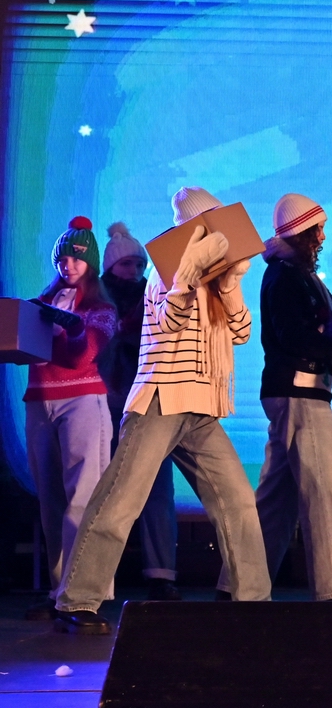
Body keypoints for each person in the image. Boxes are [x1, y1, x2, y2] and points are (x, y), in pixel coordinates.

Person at [54, 188, 268, 633]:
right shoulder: (163, 273)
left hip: (203, 406)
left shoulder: (217, 280)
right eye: (209, 224)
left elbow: (242, 332)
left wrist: (230, 286)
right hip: (161, 400)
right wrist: (185, 277)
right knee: (120, 501)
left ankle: (254, 600)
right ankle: (76, 600)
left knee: (237, 502)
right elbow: (168, 324)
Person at [235, 194, 332, 603]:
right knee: (326, 492)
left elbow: (316, 332)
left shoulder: (292, 273)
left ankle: (239, 589)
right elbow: (296, 336)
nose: (322, 236)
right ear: (300, 231)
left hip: (295, 391)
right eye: (316, 229)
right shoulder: (287, 276)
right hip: (300, 392)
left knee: (276, 501)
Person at [22, 218, 117, 621]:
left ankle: (85, 594)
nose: (69, 265)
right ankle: (59, 591)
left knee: (84, 499)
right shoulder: (40, 303)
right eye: (63, 258)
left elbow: (83, 354)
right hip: (40, 399)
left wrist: (70, 325)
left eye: (77, 259)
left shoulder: (101, 308)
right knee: (50, 502)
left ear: (91, 262)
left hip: (82, 400)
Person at [99, 222, 182, 601]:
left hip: (148, 398)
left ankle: (161, 574)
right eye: (126, 264)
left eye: (138, 264)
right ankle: (96, 577)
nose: (133, 271)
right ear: (110, 267)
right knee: (101, 489)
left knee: (156, 488)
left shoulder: (152, 295)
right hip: (104, 401)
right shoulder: (96, 299)